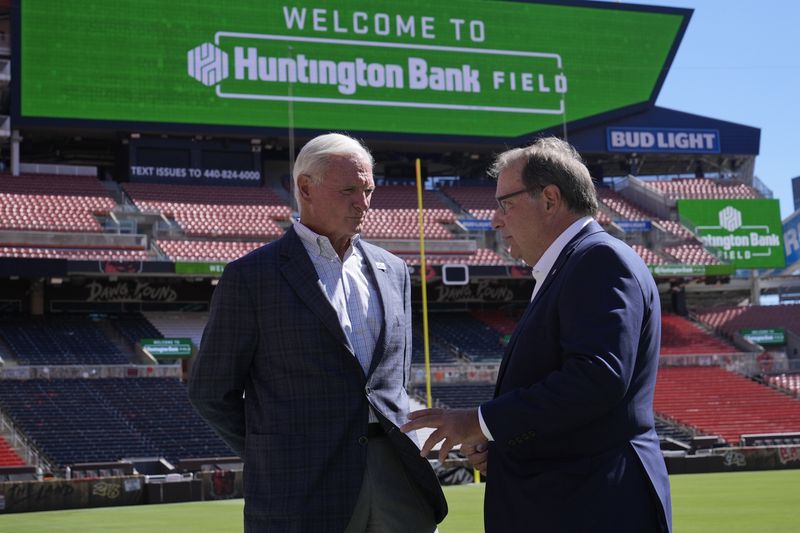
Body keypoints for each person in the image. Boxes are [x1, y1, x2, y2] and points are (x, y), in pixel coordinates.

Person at [402, 137, 672, 532]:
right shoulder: (572, 265)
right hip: (575, 499)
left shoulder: (599, 259)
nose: (495, 220)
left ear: (549, 199)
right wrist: (505, 444)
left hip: (594, 505)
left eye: (505, 204)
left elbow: (596, 379)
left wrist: (479, 421)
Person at [189, 133, 447, 532]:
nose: (363, 203)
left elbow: (392, 382)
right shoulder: (251, 277)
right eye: (349, 190)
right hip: (303, 482)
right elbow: (210, 391)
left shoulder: (393, 270)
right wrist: (277, 453)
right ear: (305, 188)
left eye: (369, 190)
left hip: (396, 474)